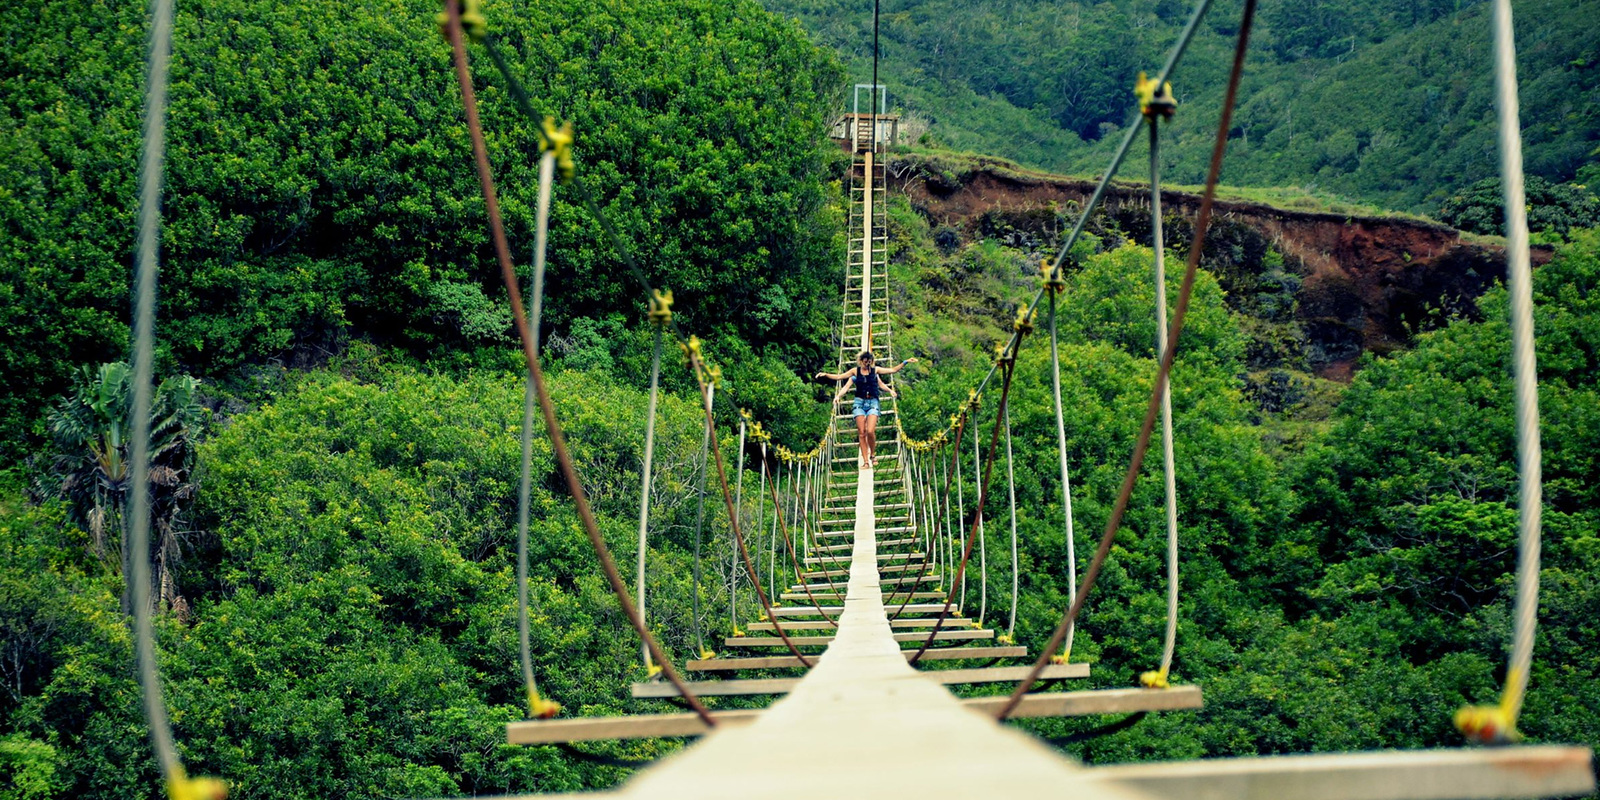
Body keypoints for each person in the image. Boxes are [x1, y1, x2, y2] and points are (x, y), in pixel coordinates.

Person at [815, 351, 917, 470]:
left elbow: (892, 370)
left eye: (869, 362)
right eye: (865, 361)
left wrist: (905, 363)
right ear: (861, 361)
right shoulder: (855, 372)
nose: (867, 364)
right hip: (859, 403)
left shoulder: (875, 371)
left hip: (873, 402)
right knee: (862, 432)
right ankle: (865, 461)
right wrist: (827, 377)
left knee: (870, 430)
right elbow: (840, 378)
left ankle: (872, 455)